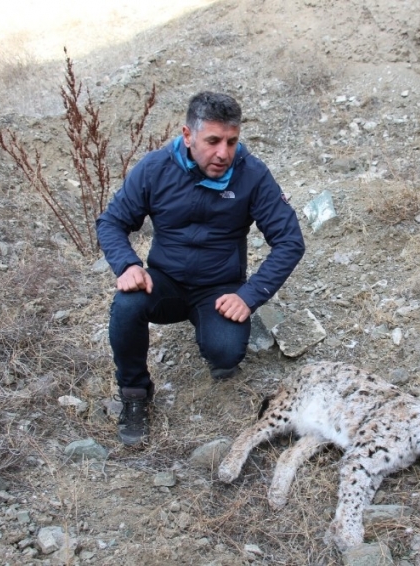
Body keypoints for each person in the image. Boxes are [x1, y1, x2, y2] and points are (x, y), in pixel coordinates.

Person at [96, 91, 305, 446]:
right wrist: (128, 264)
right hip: (164, 282)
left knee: (225, 354)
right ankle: (134, 394)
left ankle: (212, 333)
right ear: (188, 135)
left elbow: (290, 241)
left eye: (231, 142)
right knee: (126, 304)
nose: (223, 153)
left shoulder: (251, 175)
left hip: (218, 289)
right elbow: (111, 222)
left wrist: (249, 296)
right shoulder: (155, 168)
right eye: (212, 141)